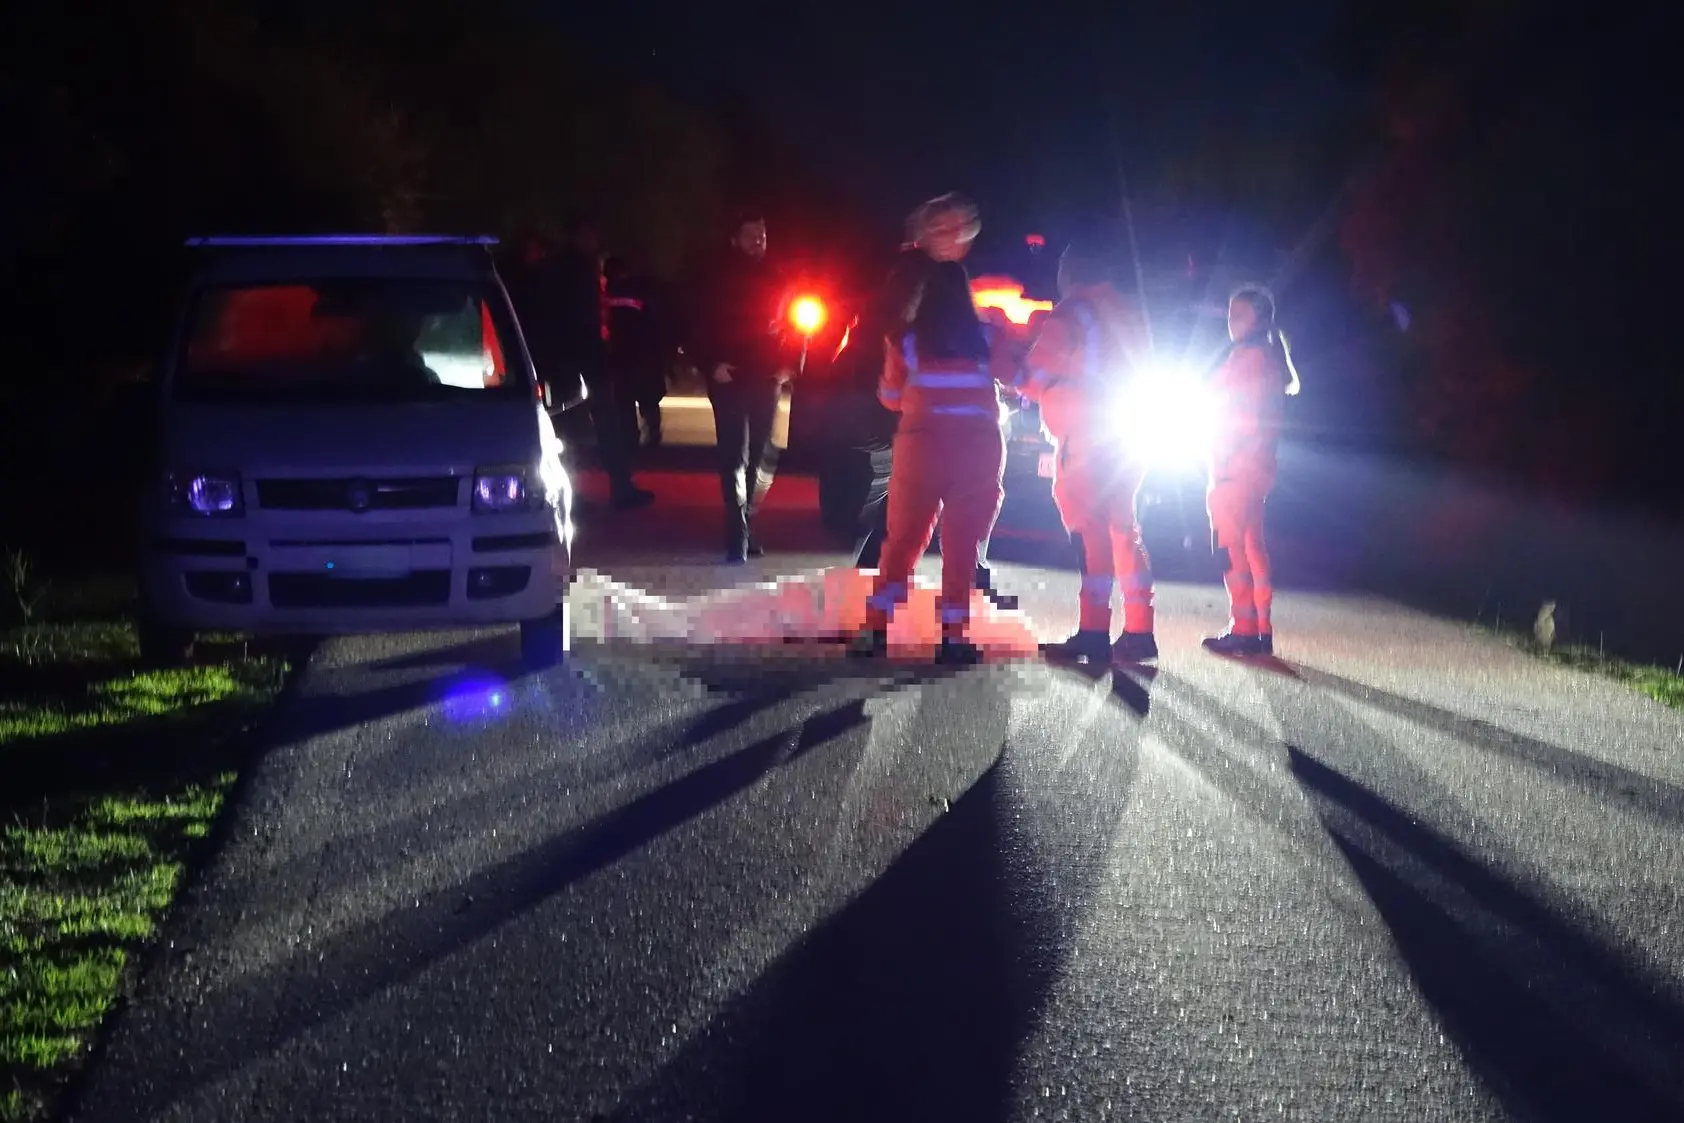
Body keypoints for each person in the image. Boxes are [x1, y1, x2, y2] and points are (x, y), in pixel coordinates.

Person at [851, 192, 1012, 665]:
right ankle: (954, 638)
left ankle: (875, 631)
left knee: (902, 542)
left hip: (921, 449)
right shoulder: (988, 335)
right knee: (961, 546)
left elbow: (889, 396)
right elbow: (1016, 378)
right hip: (978, 450)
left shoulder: (906, 340)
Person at [1016, 231, 1159, 664]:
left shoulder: (1074, 311)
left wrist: (1010, 367)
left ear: (1072, 270)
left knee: (1090, 536)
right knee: (1125, 530)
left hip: (1086, 438)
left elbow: (1033, 377)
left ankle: (1093, 631)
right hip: (1130, 437)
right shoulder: (1129, 310)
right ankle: (1140, 629)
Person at [686, 211, 797, 563]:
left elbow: (797, 322)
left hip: (766, 378)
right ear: (734, 238)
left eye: (763, 235)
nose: (758, 241)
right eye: (751, 235)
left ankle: (748, 522)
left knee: (761, 455)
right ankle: (736, 534)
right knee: (734, 454)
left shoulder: (779, 276)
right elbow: (693, 324)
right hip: (729, 377)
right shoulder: (714, 277)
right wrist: (710, 364)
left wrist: (789, 365)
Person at [1203, 284, 1301, 656]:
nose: (1230, 322)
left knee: (1232, 550)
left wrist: (1226, 458)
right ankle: (1260, 629)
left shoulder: (1249, 359)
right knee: (1252, 546)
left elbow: (1243, 417)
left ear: (1256, 320)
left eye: (1238, 315)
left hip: (1236, 467)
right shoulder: (1265, 357)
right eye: (1229, 315)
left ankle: (1243, 629)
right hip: (1255, 467)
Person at [549, 224, 653, 509]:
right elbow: (583, 319)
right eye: (591, 235)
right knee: (583, 429)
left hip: (578, 360)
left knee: (588, 428)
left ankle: (603, 489)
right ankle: (596, 491)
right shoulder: (575, 270)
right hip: (580, 361)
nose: (596, 241)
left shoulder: (570, 267)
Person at [603, 254, 670, 449]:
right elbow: (655, 324)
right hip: (644, 355)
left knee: (624, 400)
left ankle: (630, 438)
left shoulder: (608, 294)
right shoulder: (642, 291)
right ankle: (653, 436)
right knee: (648, 399)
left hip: (621, 356)